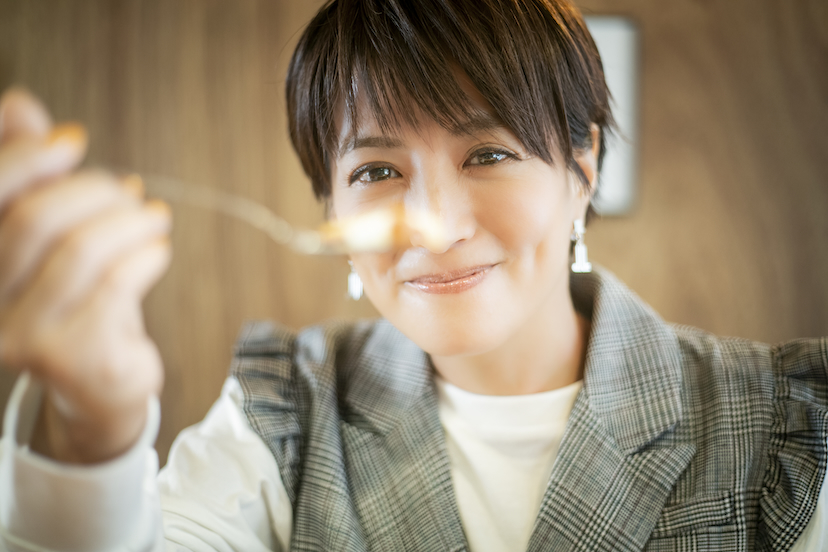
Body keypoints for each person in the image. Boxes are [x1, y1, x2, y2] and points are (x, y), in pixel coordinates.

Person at [0, 0, 826, 550]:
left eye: (490, 153)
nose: (435, 223)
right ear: (329, 205)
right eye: (375, 171)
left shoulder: (791, 424)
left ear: (583, 169)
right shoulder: (281, 408)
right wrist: (92, 430)